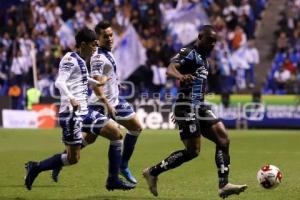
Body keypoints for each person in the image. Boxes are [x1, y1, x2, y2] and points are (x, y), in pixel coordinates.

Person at [142, 25, 247, 199]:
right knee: (193, 151)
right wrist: (181, 77)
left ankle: (224, 184)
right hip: (186, 105)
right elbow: (170, 69)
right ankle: (152, 172)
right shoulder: (189, 51)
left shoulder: (204, 59)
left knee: (223, 138)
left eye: (215, 41)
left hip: (200, 105)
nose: (212, 44)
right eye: (209, 40)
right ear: (200, 37)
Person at [24, 27, 134, 191]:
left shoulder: (82, 61)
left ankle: (113, 180)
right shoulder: (69, 59)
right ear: (83, 44)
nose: (95, 48)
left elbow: (83, 77)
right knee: (73, 158)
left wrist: (98, 83)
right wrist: (71, 97)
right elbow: (60, 82)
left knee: (117, 134)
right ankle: (36, 167)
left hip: (85, 111)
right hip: (71, 114)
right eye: (92, 44)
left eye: (97, 44)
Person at [52, 21, 143, 185]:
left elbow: (103, 77)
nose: (109, 38)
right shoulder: (98, 58)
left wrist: (115, 82)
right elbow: (96, 84)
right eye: (105, 36)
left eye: (111, 35)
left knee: (135, 128)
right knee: (98, 138)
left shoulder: (107, 52)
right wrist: (106, 103)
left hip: (114, 100)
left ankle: (121, 166)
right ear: (98, 39)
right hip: (101, 104)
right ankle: (63, 160)